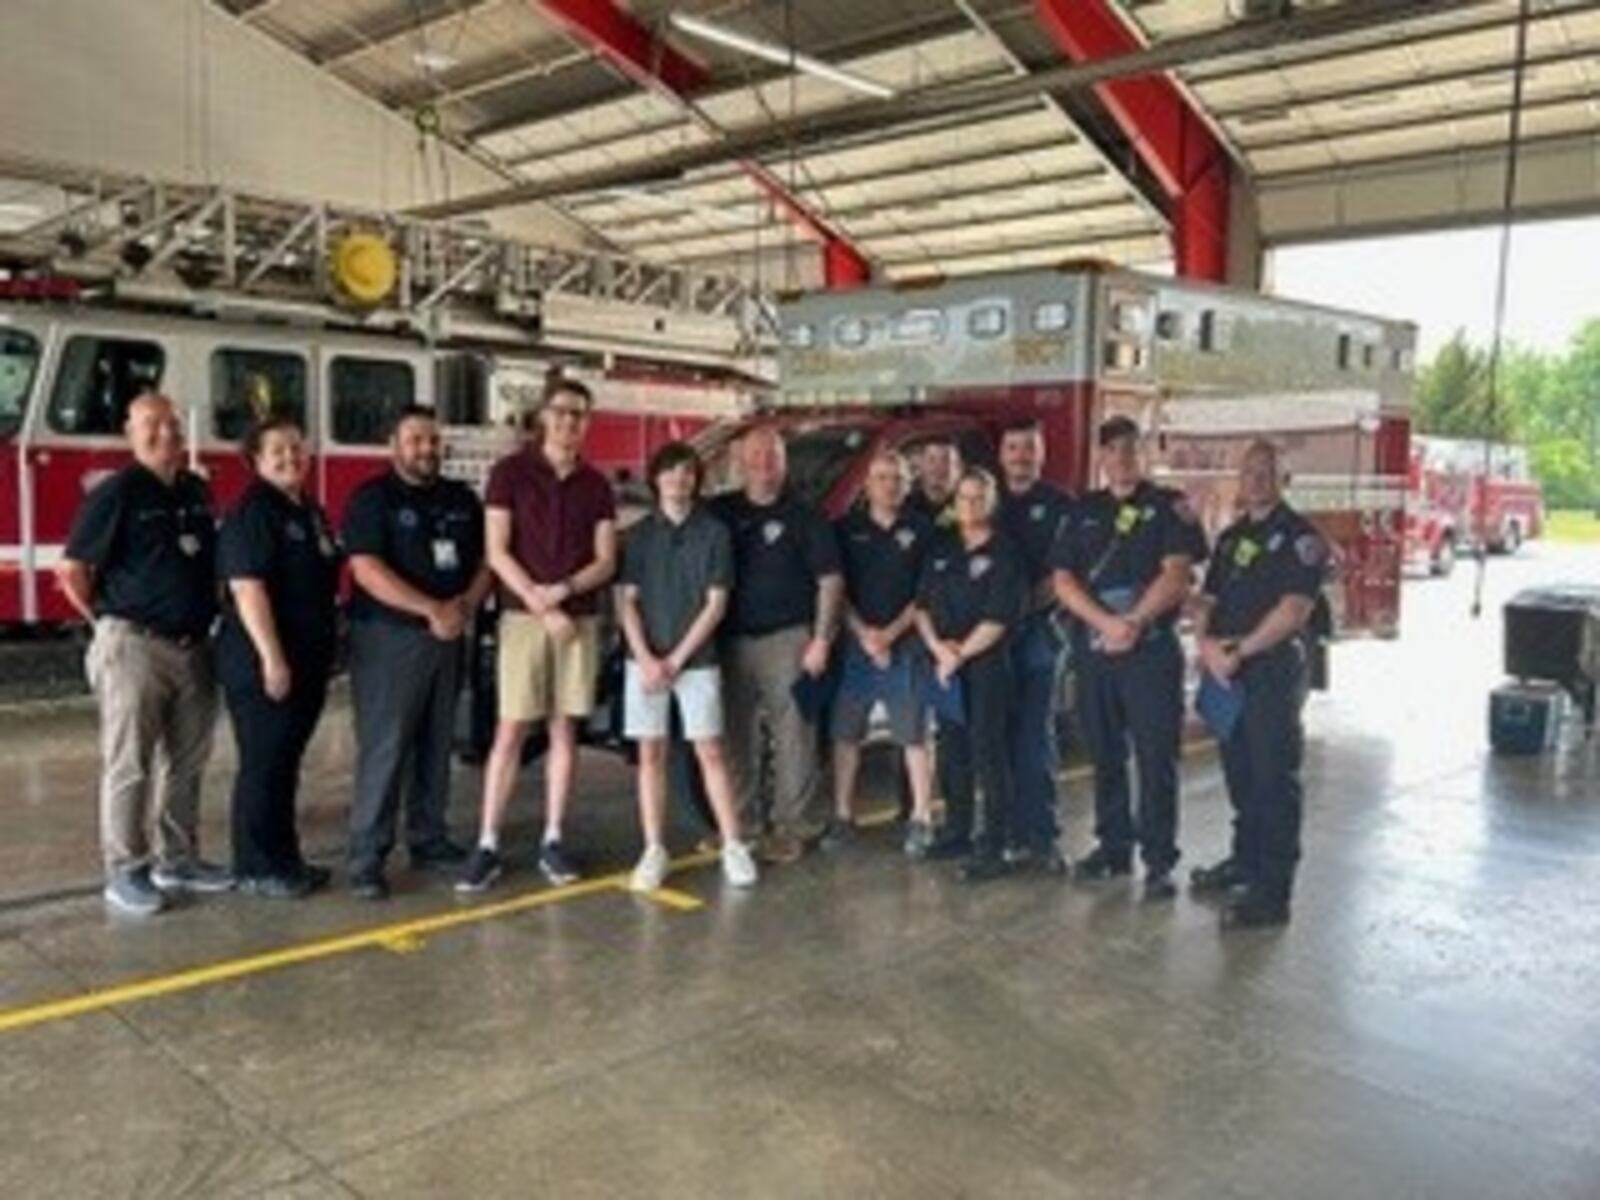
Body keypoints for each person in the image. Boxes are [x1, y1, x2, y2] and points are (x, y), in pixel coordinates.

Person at [58, 392, 230, 917]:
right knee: (130, 763)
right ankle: (125, 870)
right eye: (150, 425)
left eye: (172, 423)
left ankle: (176, 859)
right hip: (134, 645)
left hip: (193, 645)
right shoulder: (117, 493)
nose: (164, 433)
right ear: (131, 435)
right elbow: (72, 571)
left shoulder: (197, 491)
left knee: (187, 761)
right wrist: (109, 625)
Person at [458, 378, 617, 893]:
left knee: (563, 730)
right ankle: (487, 843)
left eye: (580, 415)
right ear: (543, 417)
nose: (570, 422)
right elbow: (497, 550)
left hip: (578, 619)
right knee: (510, 729)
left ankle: (553, 839)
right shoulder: (510, 474)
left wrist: (565, 589)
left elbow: (606, 560)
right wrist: (539, 601)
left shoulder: (597, 485)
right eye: (563, 412)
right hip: (526, 620)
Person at [1051, 415, 1207, 900]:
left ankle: (1159, 861)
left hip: (1151, 650)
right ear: (1100, 458)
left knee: (1156, 755)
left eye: (1129, 449)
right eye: (1112, 450)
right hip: (1097, 648)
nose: (1121, 458)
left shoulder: (1169, 507)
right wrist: (1106, 625)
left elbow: (1178, 574)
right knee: (1104, 753)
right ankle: (1113, 849)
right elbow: (1063, 580)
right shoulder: (1082, 511)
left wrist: (1134, 623)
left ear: (1143, 454)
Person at [341, 404, 492, 900]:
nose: (427, 449)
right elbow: (366, 569)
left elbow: (485, 561)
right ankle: (367, 856)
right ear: (394, 445)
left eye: (433, 440)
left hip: (449, 636)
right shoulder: (372, 499)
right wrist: (431, 609)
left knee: (436, 742)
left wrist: (466, 605)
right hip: (389, 639)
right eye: (415, 440)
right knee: (386, 747)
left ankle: (428, 838)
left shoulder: (461, 499)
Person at [1191, 441, 1329, 928]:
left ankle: (1272, 893)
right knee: (1240, 775)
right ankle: (1243, 862)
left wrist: (1238, 651)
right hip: (1227, 670)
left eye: (1266, 471)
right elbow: (1205, 601)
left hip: (1269, 671)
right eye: (1249, 471)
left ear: (1284, 478)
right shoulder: (1229, 539)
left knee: (1274, 781)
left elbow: (1293, 611)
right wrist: (1205, 646)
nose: (1256, 478)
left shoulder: (1301, 538)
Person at [617, 442, 759, 893]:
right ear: (655, 479)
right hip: (643, 664)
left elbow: (716, 605)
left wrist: (676, 659)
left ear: (696, 480)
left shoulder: (714, 533)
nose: (679, 481)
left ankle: (733, 846)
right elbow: (626, 601)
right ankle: (653, 849)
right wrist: (644, 657)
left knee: (711, 752)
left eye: (687, 473)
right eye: (670, 473)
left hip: (696, 662)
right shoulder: (639, 535)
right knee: (650, 755)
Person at [214, 417, 341, 898]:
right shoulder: (253, 512)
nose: (291, 457)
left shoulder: (307, 508)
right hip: (264, 662)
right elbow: (248, 589)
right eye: (278, 451)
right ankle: (256, 867)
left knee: (285, 761)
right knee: (264, 763)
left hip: (306, 658)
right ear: (256, 461)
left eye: (296, 447)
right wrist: (273, 659)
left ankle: (285, 860)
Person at [711, 425, 843, 864]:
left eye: (773, 455)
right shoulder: (720, 513)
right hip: (729, 641)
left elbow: (830, 581)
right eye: (756, 455)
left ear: (784, 463)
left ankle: (795, 826)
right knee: (734, 736)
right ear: (741, 461)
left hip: (790, 640)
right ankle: (742, 827)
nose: (765, 463)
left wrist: (821, 640)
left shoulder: (807, 516)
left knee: (795, 736)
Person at [914, 468, 1027, 883]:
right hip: (944, 664)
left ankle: (995, 844)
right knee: (952, 751)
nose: (970, 505)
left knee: (988, 754)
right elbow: (921, 607)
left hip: (985, 667)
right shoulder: (941, 548)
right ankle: (957, 831)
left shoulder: (1006, 553)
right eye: (963, 497)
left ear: (991, 503)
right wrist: (937, 649)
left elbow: (999, 618)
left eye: (979, 498)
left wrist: (958, 653)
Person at [830, 450, 936, 855]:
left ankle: (922, 818)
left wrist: (888, 636)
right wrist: (865, 636)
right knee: (846, 734)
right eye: (880, 478)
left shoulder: (923, 531)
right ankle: (842, 818)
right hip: (857, 647)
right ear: (867, 485)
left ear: (907, 485)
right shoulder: (845, 529)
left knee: (913, 736)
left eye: (896, 478)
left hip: (906, 646)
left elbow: (925, 594)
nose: (889, 485)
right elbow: (836, 590)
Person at [995, 419, 1074, 870]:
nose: (1021, 455)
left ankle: (1042, 837)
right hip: (988, 640)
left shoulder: (1060, 505)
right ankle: (1003, 834)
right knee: (995, 736)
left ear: (1041, 454)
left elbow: (1065, 574)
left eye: (1029, 447)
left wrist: (1021, 606)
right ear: (1001, 454)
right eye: (1012, 447)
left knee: (1034, 735)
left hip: (1038, 635)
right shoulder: (985, 501)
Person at [906, 438, 961, 525]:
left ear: (958, 469)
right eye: (931, 460)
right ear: (921, 466)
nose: (938, 468)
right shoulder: (903, 505)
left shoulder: (970, 505)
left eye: (945, 460)